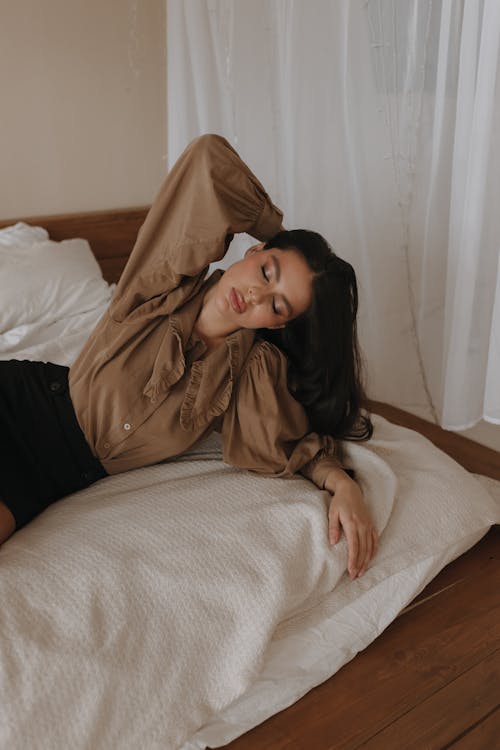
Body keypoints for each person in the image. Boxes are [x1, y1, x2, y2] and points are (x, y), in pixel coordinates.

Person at [0, 134, 378, 579]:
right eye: (265, 271)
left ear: (279, 325)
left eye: (276, 305)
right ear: (253, 251)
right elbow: (207, 158)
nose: (256, 294)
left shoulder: (249, 373)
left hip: (52, 477)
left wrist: (342, 484)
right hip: (21, 405)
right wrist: (275, 230)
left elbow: (285, 445)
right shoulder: (158, 287)